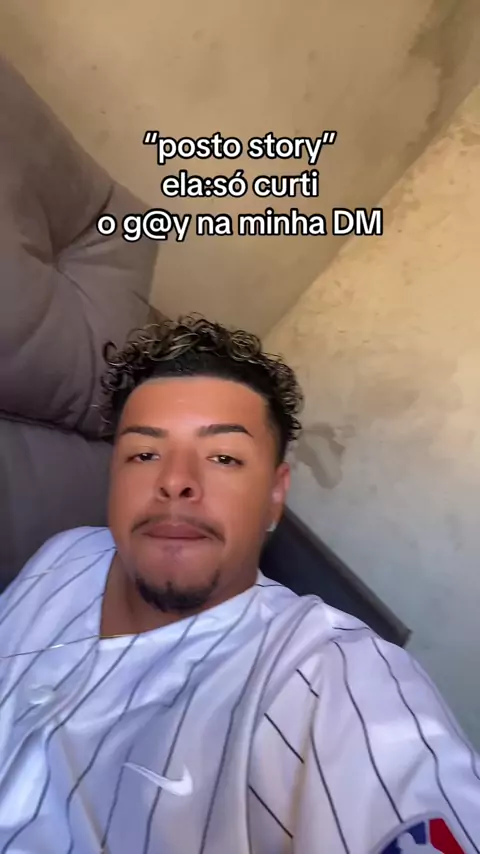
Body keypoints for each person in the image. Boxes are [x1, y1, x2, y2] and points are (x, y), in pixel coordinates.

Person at [0, 315, 478, 854]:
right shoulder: (65, 553)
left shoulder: (325, 674)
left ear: (275, 495)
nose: (175, 481)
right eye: (144, 454)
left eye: (224, 458)